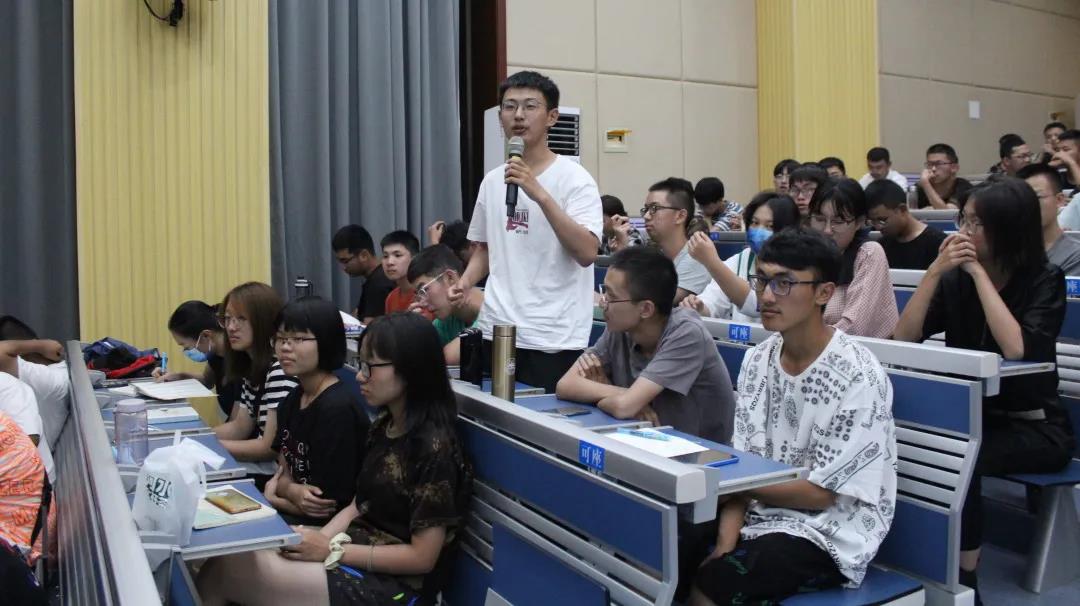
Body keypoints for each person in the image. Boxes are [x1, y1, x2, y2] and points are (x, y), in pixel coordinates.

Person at [197, 313, 472, 606]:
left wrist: (330, 549)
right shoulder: (385, 426)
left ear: (410, 370)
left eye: (370, 367)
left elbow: (422, 558)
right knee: (228, 554)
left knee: (228, 572)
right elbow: (358, 505)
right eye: (360, 365)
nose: (360, 376)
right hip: (354, 550)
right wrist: (316, 542)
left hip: (396, 587)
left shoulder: (434, 448)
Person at [688, 227, 897, 605]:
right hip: (759, 512)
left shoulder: (857, 375)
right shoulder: (758, 360)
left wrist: (738, 490)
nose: (766, 296)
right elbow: (746, 465)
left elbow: (823, 495)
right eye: (762, 280)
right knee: (673, 544)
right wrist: (725, 540)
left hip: (828, 532)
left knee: (715, 584)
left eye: (784, 283)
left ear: (823, 293)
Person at [892, 178, 1075, 602]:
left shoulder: (1044, 278)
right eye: (964, 220)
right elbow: (904, 337)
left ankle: (965, 576)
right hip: (975, 419)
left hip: (1037, 428)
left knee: (962, 459)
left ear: (1008, 227)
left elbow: (1017, 348)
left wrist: (977, 274)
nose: (964, 231)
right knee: (917, 443)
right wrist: (935, 272)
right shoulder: (953, 279)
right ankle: (916, 560)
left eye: (976, 223)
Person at [451, 70, 603, 393]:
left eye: (530, 106)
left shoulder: (575, 179)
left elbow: (588, 252)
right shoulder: (493, 180)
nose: (518, 115)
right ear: (501, 118)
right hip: (497, 327)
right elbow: (485, 248)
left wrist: (539, 194)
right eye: (509, 107)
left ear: (552, 117)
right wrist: (464, 282)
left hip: (552, 335)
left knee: (541, 418)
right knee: (493, 413)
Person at [556, 246, 735, 444]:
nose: (603, 304)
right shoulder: (620, 327)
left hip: (700, 452)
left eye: (612, 297)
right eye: (604, 292)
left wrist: (609, 395)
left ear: (646, 309)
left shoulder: (687, 333)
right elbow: (566, 385)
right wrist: (622, 394)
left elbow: (623, 407)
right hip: (645, 440)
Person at [265, 297, 370, 526]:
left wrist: (275, 498)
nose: (285, 347)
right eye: (281, 338)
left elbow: (326, 506)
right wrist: (290, 490)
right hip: (298, 515)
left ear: (326, 341)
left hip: (334, 529)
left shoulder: (337, 410)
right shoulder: (293, 399)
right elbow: (282, 471)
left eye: (298, 338)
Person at [214, 282, 300, 477]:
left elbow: (268, 448)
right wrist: (197, 438)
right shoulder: (253, 366)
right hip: (263, 466)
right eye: (227, 319)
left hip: (277, 473)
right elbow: (240, 427)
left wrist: (209, 445)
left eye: (241, 319)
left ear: (264, 321)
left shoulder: (280, 370)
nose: (231, 327)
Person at [682, 193, 801, 321]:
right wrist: (699, 307)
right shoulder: (738, 260)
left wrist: (711, 261)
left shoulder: (799, 265)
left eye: (769, 226)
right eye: (755, 223)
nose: (759, 231)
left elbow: (757, 304)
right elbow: (713, 300)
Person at [808, 178, 899, 338]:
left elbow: (855, 328)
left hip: (860, 350)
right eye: (819, 219)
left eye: (838, 221)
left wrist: (806, 340)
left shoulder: (868, 254)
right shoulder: (805, 254)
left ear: (859, 222)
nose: (827, 230)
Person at [153, 300, 239, 418]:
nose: (186, 351)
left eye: (185, 346)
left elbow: (240, 423)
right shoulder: (214, 353)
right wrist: (178, 376)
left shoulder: (241, 359)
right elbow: (207, 381)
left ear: (206, 336)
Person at [408, 245, 483, 365]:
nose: (422, 303)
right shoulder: (445, 322)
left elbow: (447, 358)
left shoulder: (497, 312)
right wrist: (417, 329)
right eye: (418, 295)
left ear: (450, 278)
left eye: (424, 290)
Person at [643, 184, 711, 302]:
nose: (646, 216)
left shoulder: (696, 258)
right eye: (646, 209)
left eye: (654, 208)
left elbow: (656, 303)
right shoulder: (656, 257)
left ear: (680, 216)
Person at [0, 338, 69, 452]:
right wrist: (40, 346)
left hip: (26, 457)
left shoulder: (50, 380)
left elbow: (3, 351)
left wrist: (40, 346)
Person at [866, 179, 947, 269]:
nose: (878, 227)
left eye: (882, 220)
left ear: (902, 209)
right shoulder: (881, 247)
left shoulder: (939, 244)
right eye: (873, 221)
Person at [1020, 164, 1080, 276]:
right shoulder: (1008, 251)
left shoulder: (1075, 255)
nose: (1027, 204)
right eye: (1020, 198)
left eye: (1036, 197)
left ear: (1059, 200)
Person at [332, 225, 396, 324]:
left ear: (364, 255)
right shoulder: (376, 278)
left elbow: (370, 329)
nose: (343, 267)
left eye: (345, 261)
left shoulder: (378, 285)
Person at [381, 231, 426, 315]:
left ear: (414, 258)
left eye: (397, 255)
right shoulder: (391, 298)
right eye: (385, 256)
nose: (389, 262)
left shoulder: (426, 294)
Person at [916, 143, 973, 209]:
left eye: (939, 164)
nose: (933, 169)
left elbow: (948, 213)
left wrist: (926, 184)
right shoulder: (919, 188)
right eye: (930, 164)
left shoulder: (963, 187)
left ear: (954, 168)